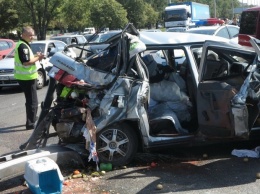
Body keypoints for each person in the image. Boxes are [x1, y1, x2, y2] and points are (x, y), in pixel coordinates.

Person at [14, 26, 45, 130]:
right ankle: (31, 123)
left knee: (30, 100)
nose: (32, 37)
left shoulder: (23, 44)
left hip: (25, 77)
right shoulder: (22, 46)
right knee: (33, 101)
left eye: (33, 35)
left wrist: (36, 55)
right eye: (30, 35)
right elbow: (26, 62)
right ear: (24, 35)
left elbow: (28, 58)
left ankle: (31, 119)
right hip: (26, 77)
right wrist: (39, 58)